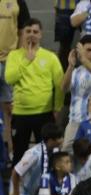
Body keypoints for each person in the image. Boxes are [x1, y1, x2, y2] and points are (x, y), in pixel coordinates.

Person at [5, 19, 64, 167]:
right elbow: (9, 79)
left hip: (44, 113)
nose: (32, 34)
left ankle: (45, 188)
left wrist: (57, 107)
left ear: (41, 34)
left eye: (35, 32)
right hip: (20, 114)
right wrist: (26, 61)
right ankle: (16, 189)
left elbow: (59, 85)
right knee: (19, 154)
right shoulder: (14, 55)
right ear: (22, 34)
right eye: (28, 31)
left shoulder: (50, 57)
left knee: (46, 155)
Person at [0, 0, 30, 163]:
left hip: (9, 61)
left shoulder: (18, 1)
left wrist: (17, 55)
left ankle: (10, 153)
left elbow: (23, 30)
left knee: (10, 111)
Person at [10, 124, 64, 195]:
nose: (62, 140)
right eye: (59, 138)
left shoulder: (55, 152)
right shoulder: (34, 154)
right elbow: (15, 172)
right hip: (21, 192)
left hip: (35, 192)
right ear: (50, 140)